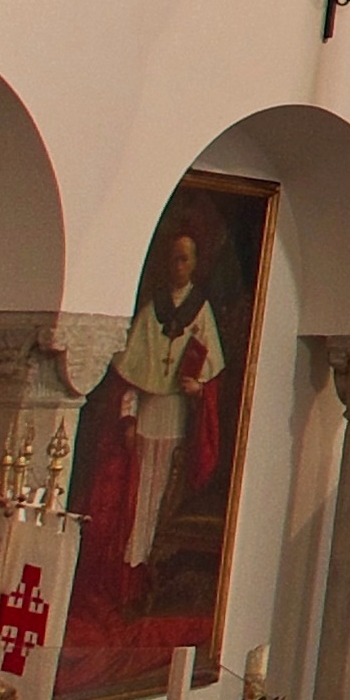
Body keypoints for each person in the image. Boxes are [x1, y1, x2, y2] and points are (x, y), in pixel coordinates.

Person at [84, 224, 230, 582]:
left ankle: (151, 561)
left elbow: (211, 373)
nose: (178, 266)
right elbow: (132, 375)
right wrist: (129, 417)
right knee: (138, 487)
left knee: (165, 489)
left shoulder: (201, 310)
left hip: (178, 417)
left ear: (194, 263)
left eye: (184, 259)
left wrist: (197, 387)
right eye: (173, 259)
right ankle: (130, 560)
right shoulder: (153, 310)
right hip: (149, 414)